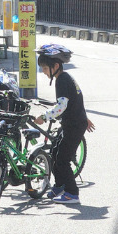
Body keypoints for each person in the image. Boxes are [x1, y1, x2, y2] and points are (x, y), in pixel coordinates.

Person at [37, 52, 95, 204]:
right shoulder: (65, 77)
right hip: (74, 122)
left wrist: (44, 117)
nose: (43, 71)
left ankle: (72, 193)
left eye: (44, 68)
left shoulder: (62, 80)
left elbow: (61, 106)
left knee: (63, 159)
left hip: (74, 125)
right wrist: (85, 117)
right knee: (55, 153)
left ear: (56, 66)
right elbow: (77, 100)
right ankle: (59, 185)